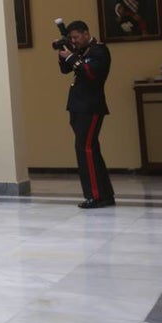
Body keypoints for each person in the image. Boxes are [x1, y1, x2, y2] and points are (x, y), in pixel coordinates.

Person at [58, 20, 116, 209]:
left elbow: (90, 73)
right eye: (71, 38)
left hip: (90, 107)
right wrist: (64, 52)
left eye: (75, 37)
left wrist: (72, 57)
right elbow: (65, 69)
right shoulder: (82, 51)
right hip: (79, 107)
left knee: (86, 150)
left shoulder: (99, 51)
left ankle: (96, 196)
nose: (74, 41)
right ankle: (104, 195)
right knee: (89, 151)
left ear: (85, 33)